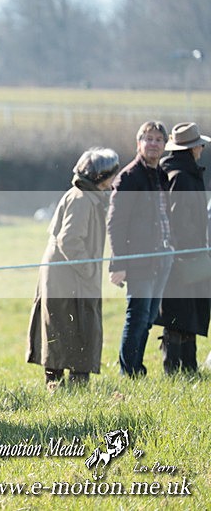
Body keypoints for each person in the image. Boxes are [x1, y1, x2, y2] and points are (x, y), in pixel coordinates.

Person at [27, 147, 120, 391]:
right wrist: (89, 270)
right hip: (67, 279)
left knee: (76, 328)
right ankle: (58, 388)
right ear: (101, 176)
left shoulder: (90, 197)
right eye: (112, 175)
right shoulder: (81, 198)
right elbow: (69, 240)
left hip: (72, 277)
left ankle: (76, 388)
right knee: (65, 329)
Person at [107, 120, 172, 378]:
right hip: (139, 259)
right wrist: (118, 263)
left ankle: (136, 368)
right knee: (137, 316)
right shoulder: (128, 177)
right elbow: (115, 223)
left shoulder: (161, 174)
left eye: (158, 139)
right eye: (148, 139)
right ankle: (129, 371)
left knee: (147, 318)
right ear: (139, 143)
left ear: (165, 145)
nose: (153, 144)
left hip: (162, 256)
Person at [154, 122, 211, 374]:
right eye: (199, 144)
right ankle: (175, 369)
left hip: (187, 255)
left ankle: (189, 367)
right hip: (184, 256)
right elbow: (178, 219)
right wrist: (190, 249)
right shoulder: (182, 177)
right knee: (179, 313)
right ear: (193, 148)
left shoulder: (181, 172)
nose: (201, 148)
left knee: (188, 312)